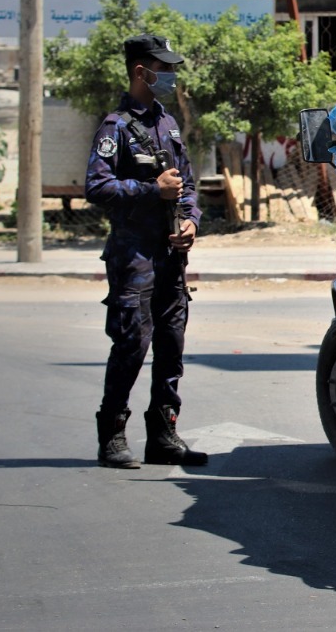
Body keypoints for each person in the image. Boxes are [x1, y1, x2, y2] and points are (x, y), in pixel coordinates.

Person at [86, 34, 208, 469]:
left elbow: (188, 185)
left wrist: (191, 222)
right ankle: (113, 436)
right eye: (164, 69)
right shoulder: (115, 126)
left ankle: (163, 435)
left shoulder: (168, 124)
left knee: (171, 346)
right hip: (133, 256)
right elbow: (97, 187)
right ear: (142, 71)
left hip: (171, 257)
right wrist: (148, 190)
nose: (171, 77)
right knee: (131, 345)